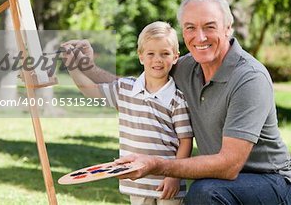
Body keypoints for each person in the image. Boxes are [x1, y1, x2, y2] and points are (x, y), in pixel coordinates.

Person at [69, 0, 291, 204]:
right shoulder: (188, 66)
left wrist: (157, 166)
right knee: (207, 189)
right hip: (224, 180)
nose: (199, 37)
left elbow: (230, 165)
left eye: (209, 27)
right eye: (190, 28)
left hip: (270, 180)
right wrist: (86, 66)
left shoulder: (249, 78)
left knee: (205, 192)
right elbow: (139, 86)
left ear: (228, 28)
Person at [62, 21, 193, 205]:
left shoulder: (177, 99)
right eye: (151, 54)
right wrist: (72, 67)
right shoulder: (125, 89)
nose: (158, 59)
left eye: (165, 54)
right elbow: (90, 90)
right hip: (137, 183)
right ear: (140, 56)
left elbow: (186, 141)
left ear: (175, 57)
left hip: (167, 184)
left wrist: (175, 177)